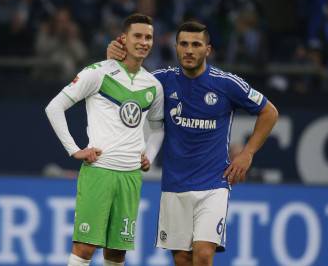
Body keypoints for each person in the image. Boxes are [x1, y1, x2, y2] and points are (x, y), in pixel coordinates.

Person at [107, 20, 278, 266]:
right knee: (182, 259)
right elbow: (126, 81)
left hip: (213, 184)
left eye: (196, 44)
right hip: (175, 184)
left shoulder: (226, 83)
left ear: (207, 49)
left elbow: (269, 112)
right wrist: (114, 60)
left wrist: (248, 153)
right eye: (183, 44)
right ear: (176, 48)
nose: (189, 50)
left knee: (204, 254)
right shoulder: (161, 80)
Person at [45, 13, 164, 266]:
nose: (144, 42)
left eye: (149, 37)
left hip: (131, 176)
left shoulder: (153, 85)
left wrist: (149, 155)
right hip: (99, 171)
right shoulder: (98, 72)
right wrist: (74, 149)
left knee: (116, 253)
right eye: (138, 36)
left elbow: (157, 127)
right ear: (123, 38)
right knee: (85, 248)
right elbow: (54, 107)